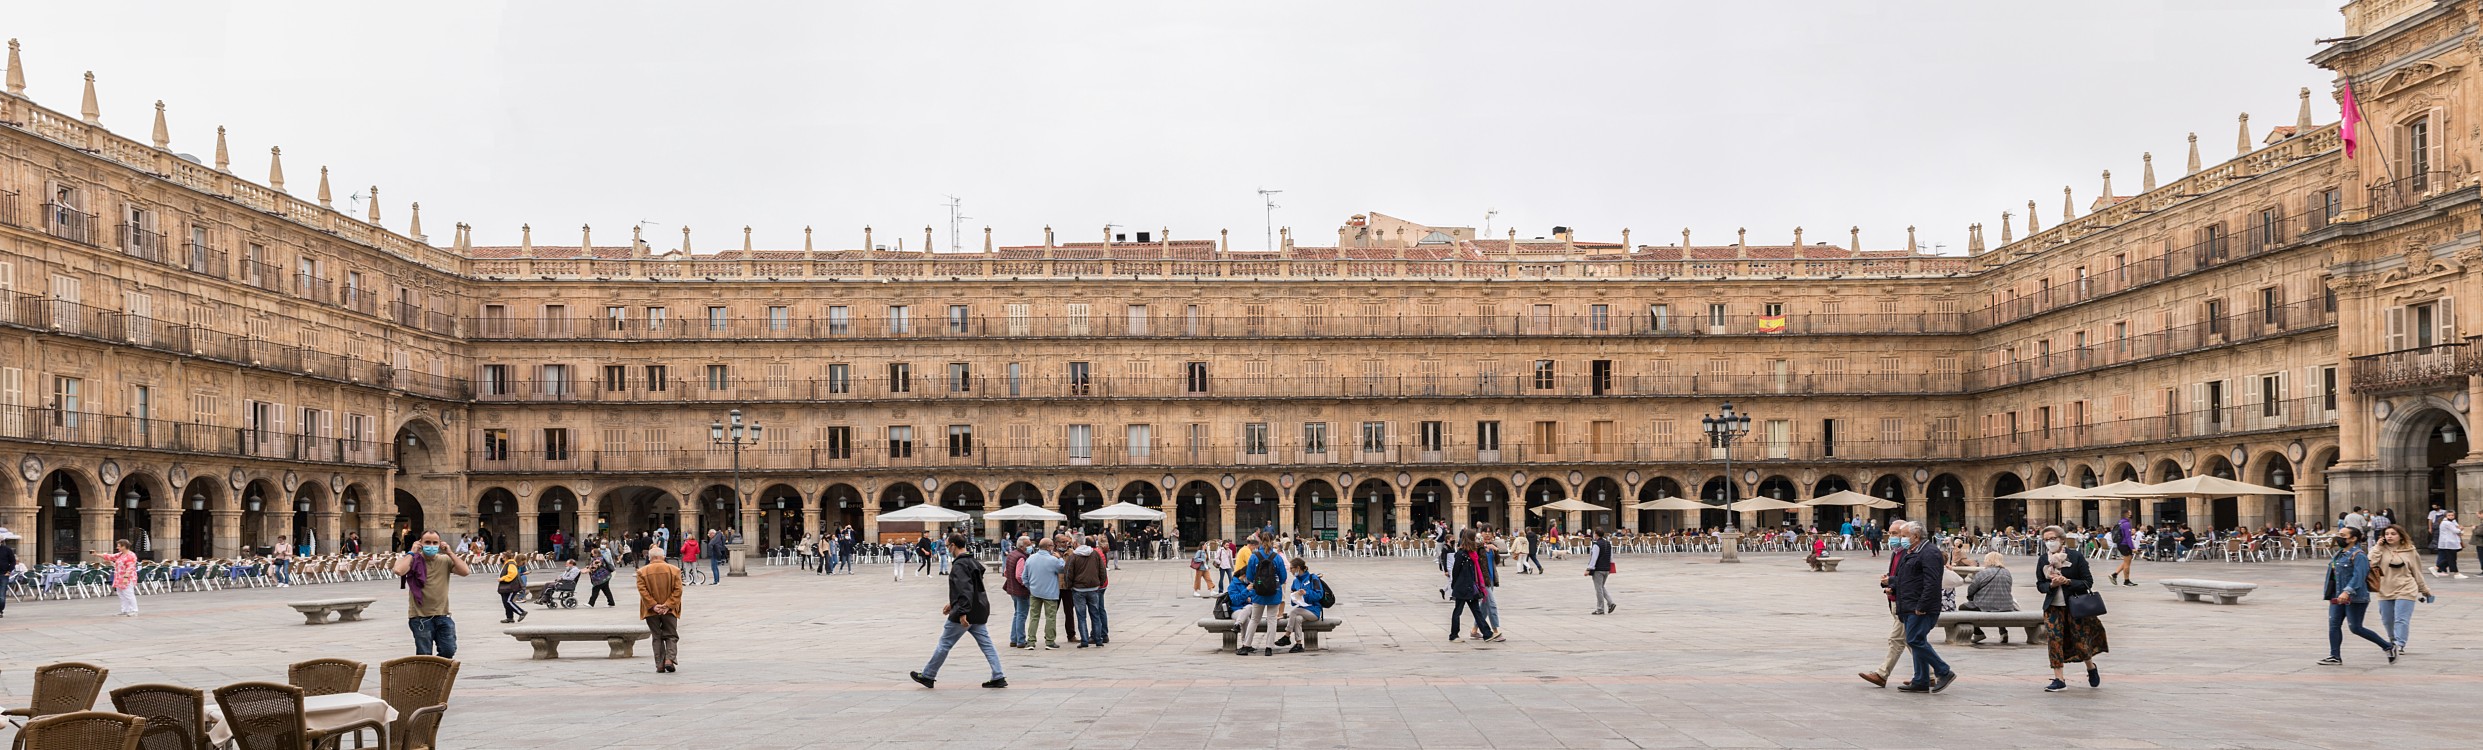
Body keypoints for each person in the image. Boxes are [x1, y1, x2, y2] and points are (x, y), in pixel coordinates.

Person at [911, 534, 1007, 689]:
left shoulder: (960, 565)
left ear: (953, 545)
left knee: (945, 643)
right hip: (979, 609)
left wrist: (961, 612)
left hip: (965, 612)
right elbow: (970, 588)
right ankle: (998, 675)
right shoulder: (973, 561)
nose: (948, 549)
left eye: (948, 545)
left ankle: (928, 675)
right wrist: (952, 602)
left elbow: (964, 589)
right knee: (987, 644)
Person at [2032, 526, 2106, 691]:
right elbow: (2040, 584)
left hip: (2075, 605)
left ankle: (2091, 667)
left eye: (2052, 538)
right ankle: (2059, 679)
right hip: (2053, 607)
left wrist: (2068, 582)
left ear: (2062, 539)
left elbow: (2088, 582)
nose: (2049, 542)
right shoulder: (2043, 560)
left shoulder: (2075, 556)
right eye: (2045, 540)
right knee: (2054, 640)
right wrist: (2051, 584)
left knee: (2080, 641)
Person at [1891, 521, 1955, 693]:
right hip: (1910, 604)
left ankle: (1944, 671)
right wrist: (1890, 583)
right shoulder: (1911, 552)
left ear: (1916, 536)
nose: (1901, 539)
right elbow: (1907, 578)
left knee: (1914, 640)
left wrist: (1923, 605)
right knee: (1918, 640)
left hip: (1921, 607)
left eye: (1904, 536)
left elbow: (1932, 583)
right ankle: (1921, 679)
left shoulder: (1929, 553)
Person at [2320, 526, 2394, 665]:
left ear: (2353, 538)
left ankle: (2388, 646)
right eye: (2339, 534)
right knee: (2334, 625)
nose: (2339, 537)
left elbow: (2359, 577)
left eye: (2343, 535)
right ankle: (2334, 656)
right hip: (2337, 596)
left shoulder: (2359, 555)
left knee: (2355, 627)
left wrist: (2347, 591)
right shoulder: (2340, 553)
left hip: (2355, 597)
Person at [392, 531, 471, 657]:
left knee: (449, 649)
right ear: (420, 543)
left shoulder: (445, 560)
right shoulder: (412, 560)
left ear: (440, 544)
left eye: (435, 543)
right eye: (427, 542)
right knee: (424, 655)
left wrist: (450, 552)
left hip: (443, 615)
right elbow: (399, 570)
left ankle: (437, 673)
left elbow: (465, 571)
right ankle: (427, 675)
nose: (431, 545)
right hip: (420, 617)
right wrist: (412, 552)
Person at [1858, 520, 1916, 688]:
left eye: (1895, 534)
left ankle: (1882, 674)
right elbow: (1897, 576)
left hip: (1904, 603)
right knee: (1912, 641)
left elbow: (1910, 580)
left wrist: (1892, 582)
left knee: (1896, 639)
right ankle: (1934, 672)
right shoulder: (1896, 552)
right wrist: (1888, 582)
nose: (1891, 537)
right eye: (1890, 533)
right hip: (1894, 601)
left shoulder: (1909, 553)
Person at [2369, 525, 2433, 657]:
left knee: (2401, 618)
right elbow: (2370, 563)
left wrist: (2424, 589)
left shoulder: (2410, 550)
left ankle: (2400, 643)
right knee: (2387, 619)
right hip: (2384, 589)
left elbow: (2417, 571)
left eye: (2393, 534)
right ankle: (2392, 640)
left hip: (2406, 588)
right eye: (2387, 534)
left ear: (2401, 536)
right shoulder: (2379, 549)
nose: (2389, 536)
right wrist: (2378, 547)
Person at [1235, 533, 1288, 655]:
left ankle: (1246, 645)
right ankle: (1269, 648)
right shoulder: (1277, 557)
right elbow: (1283, 577)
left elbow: (1249, 576)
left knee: (1254, 619)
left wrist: (1258, 583)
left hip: (1258, 592)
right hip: (1274, 592)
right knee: (1272, 620)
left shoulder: (1254, 556)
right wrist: (1274, 583)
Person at [638, 546, 683, 673]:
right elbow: (678, 590)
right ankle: (669, 659)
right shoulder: (674, 570)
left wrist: (654, 605)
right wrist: (668, 605)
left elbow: (643, 591)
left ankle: (660, 664)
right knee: (671, 635)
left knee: (656, 636)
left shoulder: (642, 572)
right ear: (663, 557)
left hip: (650, 610)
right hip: (670, 610)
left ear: (650, 557)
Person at [1447, 529, 1495, 643]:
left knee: (1476, 611)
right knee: (1458, 611)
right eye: (1474, 538)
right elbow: (1455, 571)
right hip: (1462, 587)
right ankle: (1453, 635)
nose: (1476, 540)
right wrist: (1454, 585)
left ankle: (1487, 634)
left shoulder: (1472, 553)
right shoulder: (1461, 554)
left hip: (1471, 587)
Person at [1019, 537, 1065, 650]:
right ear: (1049, 547)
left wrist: (1030, 587)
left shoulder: (1030, 559)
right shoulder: (1053, 560)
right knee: (1050, 617)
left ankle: (1031, 641)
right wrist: (1060, 558)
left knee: (1034, 617)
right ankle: (1049, 641)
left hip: (1035, 592)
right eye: (1052, 546)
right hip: (1050, 593)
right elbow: (1063, 569)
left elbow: (1024, 577)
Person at [1064, 535, 1109, 648]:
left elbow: (1068, 573)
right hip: (1093, 589)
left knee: (1081, 616)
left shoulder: (1073, 556)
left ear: (1075, 543)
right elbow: (1102, 570)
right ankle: (1098, 639)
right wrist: (1099, 583)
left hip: (1078, 589)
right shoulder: (1095, 554)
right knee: (1095, 614)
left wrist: (1069, 586)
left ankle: (1084, 640)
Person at [1963, 551, 2017, 645]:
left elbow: (1971, 590)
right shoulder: (2007, 573)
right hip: (2006, 605)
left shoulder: (1982, 573)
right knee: (1998, 607)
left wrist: (1971, 598)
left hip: (1985, 605)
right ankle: (2003, 632)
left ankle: (1978, 632)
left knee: (1963, 608)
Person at [1275, 556, 1325, 653]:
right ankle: (1298, 644)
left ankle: (1287, 635)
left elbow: (1319, 594)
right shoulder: (1295, 581)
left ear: (1298, 568)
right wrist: (1295, 596)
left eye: (1291, 568)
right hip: (1303, 609)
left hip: (1314, 610)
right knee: (1297, 618)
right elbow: (1294, 602)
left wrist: (1306, 594)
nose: (1290, 571)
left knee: (1294, 611)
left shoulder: (1313, 578)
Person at [90, 540, 140, 617]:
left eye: (119, 546)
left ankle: (134, 610)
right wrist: (96, 554)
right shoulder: (121, 554)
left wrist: (126, 577)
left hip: (127, 577)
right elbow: (110, 556)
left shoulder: (131, 555)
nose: (117, 548)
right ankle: (125, 610)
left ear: (124, 546)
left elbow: (130, 567)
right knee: (121, 594)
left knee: (128, 593)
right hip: (119, 577)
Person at [1002, 536, 1033, 649]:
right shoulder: (1021, 557)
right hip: (1020, 591)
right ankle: (1020, 640)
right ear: (1022, 546)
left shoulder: (1012, 554)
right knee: (1021, 615)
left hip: (1012, 590)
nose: (1031, 547)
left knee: (1017, 614)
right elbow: (1019, 576)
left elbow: (1006, 572)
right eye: (1028, 545)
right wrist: (1027, 586)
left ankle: (1013, 639)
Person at [1586, 529, 1617, 615]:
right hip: (1606, 569)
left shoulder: (1597, 545)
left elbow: (1594, 559)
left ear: (1596, 535)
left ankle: (1600, 609)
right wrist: (1610, 568)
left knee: (1598, 589)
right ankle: (1611, 603)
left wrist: (1588, 569)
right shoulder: (1608, 544)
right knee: (1601, 587)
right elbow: (1611, 557)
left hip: (1598, 570)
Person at [2108, 510, 2137, 586]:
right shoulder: (2127, 524)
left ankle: (2114, 574)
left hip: (2120, 543)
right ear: (2127, 514)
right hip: (2124, 544)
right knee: (2127, 563)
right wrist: (2132, 547)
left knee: (2126, 561)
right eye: (2130, 513)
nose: (2131, 515)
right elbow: (2128, 537)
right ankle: (2126, 581)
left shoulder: (2120, 522)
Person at [2434, 510, 2466, 579]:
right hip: (2449, 543)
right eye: (2449, 515)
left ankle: (2436, 567)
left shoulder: (2453, 522)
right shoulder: (2446, 523)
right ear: (2446, 516)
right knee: (2451, 558)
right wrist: (2461, 529)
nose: (2451, 516)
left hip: (2453, 543)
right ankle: (2456, 573)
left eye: (2452, 515)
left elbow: (2459, 530)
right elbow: (2456, 530)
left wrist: (2460, 530)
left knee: (2451, 558)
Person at [496, 555, 528, 623]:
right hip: (506, 586)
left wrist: (502, 578)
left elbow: (513, 574)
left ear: (506, 557)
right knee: (505, 602)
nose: (501, 558)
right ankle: (509, 617)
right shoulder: (507, 563)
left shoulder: (511, 563)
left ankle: (521, 612)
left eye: (503, 557)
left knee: (508, 601)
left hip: (511, 586)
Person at [0, 530, 17, 618]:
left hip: (3, 575)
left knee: (2, 596)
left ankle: (0, 610)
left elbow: (13, 561)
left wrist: (9, 571)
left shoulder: (7, 550)